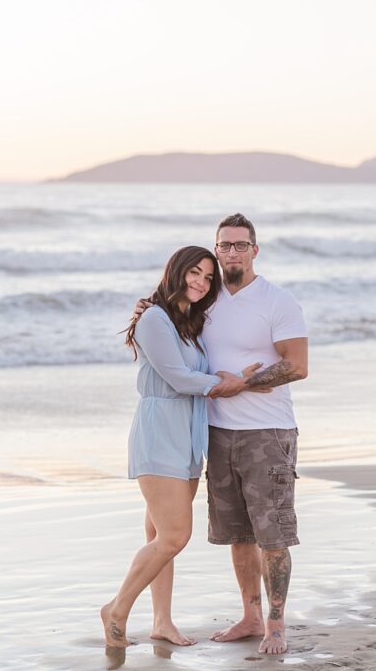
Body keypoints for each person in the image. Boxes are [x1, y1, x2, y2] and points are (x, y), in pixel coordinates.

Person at [101, 246, 259, 648]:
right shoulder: (155, 318)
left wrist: (226, 375)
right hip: (160, 433)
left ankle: (161, 622)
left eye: (208, 278)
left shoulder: (186, 320)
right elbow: (177, 377)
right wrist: (230, 385)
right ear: (176, 271)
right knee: (173, 536)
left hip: (187, 435)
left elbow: (197, 371)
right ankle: (116, 608)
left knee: (159, 533)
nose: (201, 283)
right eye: (195, 273)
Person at [193, 213, 309, 655]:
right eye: (224, 245)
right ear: (216, 250)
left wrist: (240, 383)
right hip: (218, 432)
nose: (232, 252)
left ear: (255, 250)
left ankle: (276, 624)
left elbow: (297, 366)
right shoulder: (205, 299)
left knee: (273, 534)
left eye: (241, 245)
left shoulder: (277, 301)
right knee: (237, 534)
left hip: (268, 433)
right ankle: (250, 615)